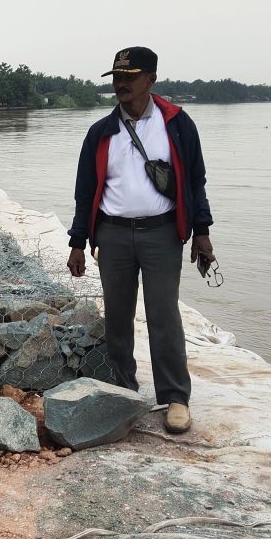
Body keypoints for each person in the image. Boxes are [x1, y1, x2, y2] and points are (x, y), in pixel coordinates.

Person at [66, 46, 215, 434]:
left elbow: (195, 182)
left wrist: (202, 232)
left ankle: (175, 397)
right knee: (117, 317)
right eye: (116, 78)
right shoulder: (101, 132)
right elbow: (85, 191)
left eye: (130, 78)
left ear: (151, 79)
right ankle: (123, 390)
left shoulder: (177, 125)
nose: (121, 85)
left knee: (164, 315)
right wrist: (78, 241)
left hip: (162, 234)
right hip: (112, 236)